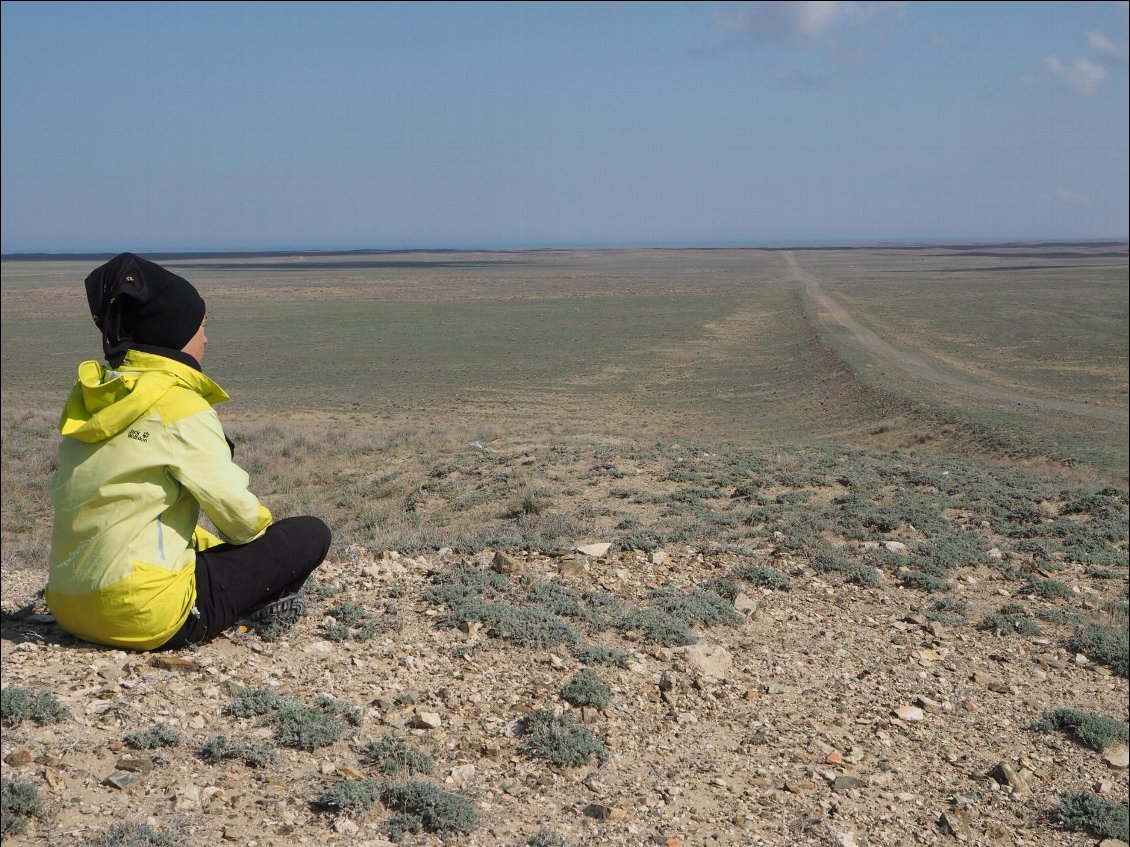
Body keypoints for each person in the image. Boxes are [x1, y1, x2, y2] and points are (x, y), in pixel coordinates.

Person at [46, 252, 331, 651]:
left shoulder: (92, 402)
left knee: (191, 538)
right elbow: (241, 520)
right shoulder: (180, 407)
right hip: (146, 618)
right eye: (202, 327)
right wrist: (263, 541)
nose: (206, 338)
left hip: (69, 607)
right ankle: (259, 604)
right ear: (176, 333)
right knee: (309, 534)